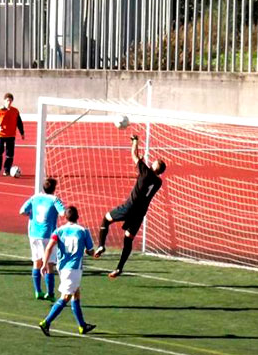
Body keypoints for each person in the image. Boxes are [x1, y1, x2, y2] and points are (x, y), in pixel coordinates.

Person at [94, 134, 166, 279]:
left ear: (153, 167)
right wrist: (145, 163)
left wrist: (135, 141)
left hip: (130, 207)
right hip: (140, 214)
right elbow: (146, 167)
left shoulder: (145, 172)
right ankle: (119, 268)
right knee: (128, 239)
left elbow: (134, 154)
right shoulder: (158, 182)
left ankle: (101, 245)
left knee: (106, 219)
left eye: (154, 163)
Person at [38, 206, 96, 337]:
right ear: (78, 217)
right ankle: (46, 322)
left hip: (62, 267)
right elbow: (91, 251)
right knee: (65, 297)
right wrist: (89, 251)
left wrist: (44, 264)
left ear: (65, 217)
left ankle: (82, 326)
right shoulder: (83, 231)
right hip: (74, 268)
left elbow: (48, 248)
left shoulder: (58, 231)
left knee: (76, 293)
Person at [20, 178, 65, 301]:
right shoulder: (55, 200)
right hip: (47, 235)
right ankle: (50, 293)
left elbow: (22, 211)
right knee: (49, 264)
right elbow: (63, 213)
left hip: (33, 234)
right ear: (54, 189)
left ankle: (38, 291)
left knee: (37, 262)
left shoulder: (35, 198)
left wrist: (32, 215)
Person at [0, 92, 25, 177]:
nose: (9, 102)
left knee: (10, 154)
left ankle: (6, 170)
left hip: (11, 135)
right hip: (1, 134)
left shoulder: (15, 111)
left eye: (10, 100)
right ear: (4, 101)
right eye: (7, 100)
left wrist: (22, 133)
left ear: (12, 101)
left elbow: (19, 122)